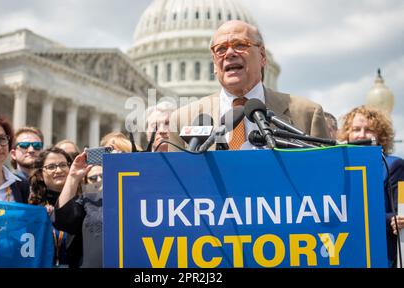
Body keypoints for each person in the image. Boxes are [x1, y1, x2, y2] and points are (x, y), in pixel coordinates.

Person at [168, 20, 329, 151]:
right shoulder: (183, 120)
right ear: (215, 65)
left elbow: (327, 174)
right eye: (221, 49)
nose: (230, 53)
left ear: (262, 56)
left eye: (240, 45)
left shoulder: (307, 114)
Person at [338, 105, 404, 267]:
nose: (361, 135)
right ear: (347, 134)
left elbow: (399, 211)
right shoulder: (337, 167)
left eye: (368, 130)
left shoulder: (393, 165)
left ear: (380, 135)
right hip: (344, 250)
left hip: (380, 251)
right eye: (356, 129)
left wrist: (392, 221)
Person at [28, 147, 81, 268]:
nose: (58, 170)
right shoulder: (32, 207)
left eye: (63, 165)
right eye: (51, 167)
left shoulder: (83, 204)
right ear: (40, 175)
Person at [52, 151, 101, 267]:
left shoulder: (126, 201)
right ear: (85, 182)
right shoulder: (84, 202)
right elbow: (62, 219)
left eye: (104, 176)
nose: (99, 181)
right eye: (93, 178)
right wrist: (73, 176)